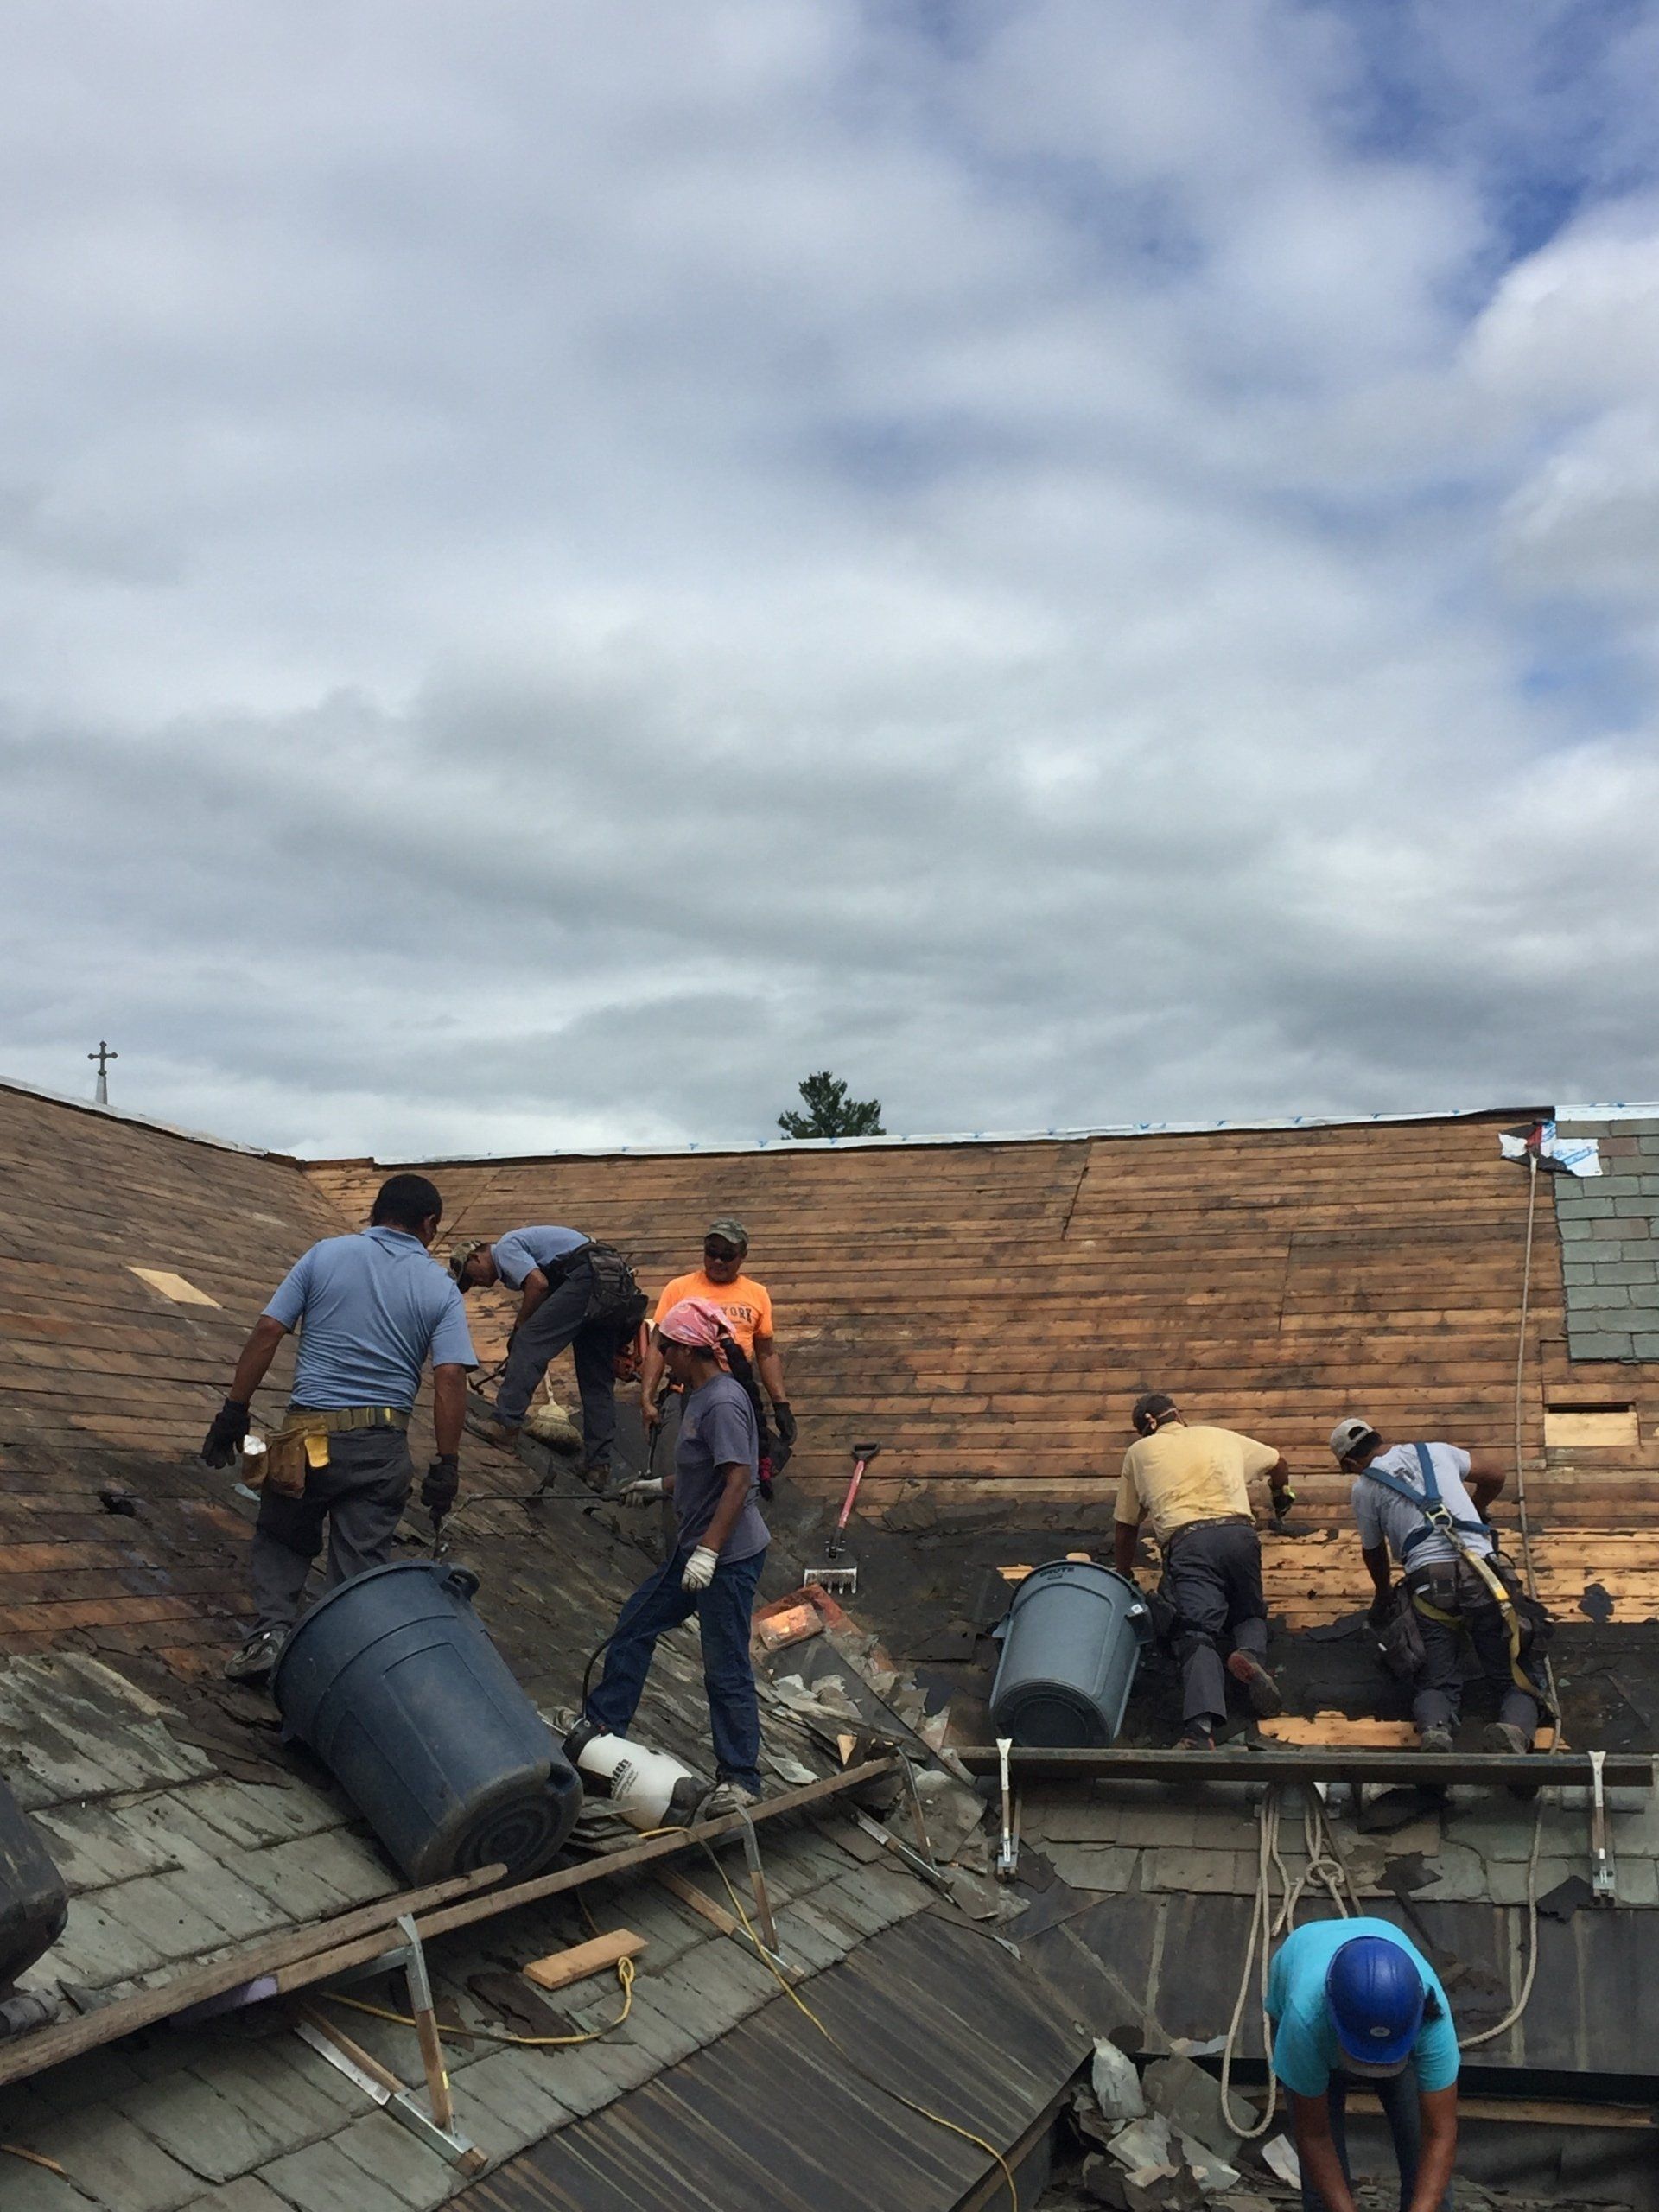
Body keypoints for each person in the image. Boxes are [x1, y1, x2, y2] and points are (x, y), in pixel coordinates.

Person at [200, 1174, 476, 1684]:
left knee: (283, 1536)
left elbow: (268, 1330)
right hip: (379, 1443)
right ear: (429, 1224)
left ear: (375, 1211)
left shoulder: (324, 1255)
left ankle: (270, 1635)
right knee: (361, 1562)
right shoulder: (439, 1286)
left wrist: (234, 1410)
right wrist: (448, 1461)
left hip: (307, 1436)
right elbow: (450, 1376)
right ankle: (336, 1664)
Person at [578, 1298, 769, 1812]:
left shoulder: (724, 1402)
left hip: (727, 1558)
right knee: (635, 1623)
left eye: (666, 1348)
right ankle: (603, 1725)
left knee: (724, 1667)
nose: (660, 1357)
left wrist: (708, 1552)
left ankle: (741, 1778)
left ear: (689, 1350)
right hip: (694, 1549)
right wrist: (656, 1485)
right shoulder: (696, 1396)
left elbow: (737, 1480)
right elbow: (701, 1472)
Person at [1331, 1417, 1545, 1755]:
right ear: (1378, 1438)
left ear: (1348, 1463)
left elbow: (1373, 1553)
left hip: (1429, 1584)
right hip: (1483, 1575)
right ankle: (1516, 1728)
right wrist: (1474, 1513)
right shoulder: (1435, 1451)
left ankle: (1435, 1729)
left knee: (1435, 1679)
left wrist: (1383, 1596)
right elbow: (1496, 1476)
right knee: (1514, 1672)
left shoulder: (1364, 1489)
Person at [1114, 1391, 1295, 1748]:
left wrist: (1124, 1573)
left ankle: (1200, 1731)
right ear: (1179, 1415)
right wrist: (1281, 1496)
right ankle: (1250, 1654)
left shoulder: (1139, 1453)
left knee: (1196, 1633)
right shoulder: (1220, 1436)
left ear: (1145, 1429)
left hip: (1190, 1542)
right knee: (1248, 1609)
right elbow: (1278, 1463)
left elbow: (1126, 1525)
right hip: (1240, 1534)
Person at [1268, 1918, 1459, 2212]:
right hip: (1306, 1971)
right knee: (1323, 2198)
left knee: (1428, 2174)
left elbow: (1439, 2133)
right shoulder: (1304, 2021)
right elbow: (1314, 2135)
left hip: (1392, 2013)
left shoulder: (1433, 2019)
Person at [450, 1227, 646, 1482]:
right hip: (609, 1280)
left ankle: (505, 1425)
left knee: (528, 1341)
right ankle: (598, 1465)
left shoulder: (505, 1247)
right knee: (596, 1378)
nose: (475, 1284)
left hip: (588, 1275)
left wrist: (520, 1330)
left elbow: (538, 1285)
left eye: (470, 1277)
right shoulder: (533, 1253)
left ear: (476, 1257)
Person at [639, 1218, 795, 1478]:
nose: (718, 1261)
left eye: (727, 1255)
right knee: (678, 1468)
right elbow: (657, 1346)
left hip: (734, 1392)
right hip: (684, 1391)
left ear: (742, 1256)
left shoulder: (756, 1294)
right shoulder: (679, 1288)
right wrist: (646, 1400)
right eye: (712, 1253)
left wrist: (781, 1404)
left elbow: (766, 1352)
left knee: (735, 1468)